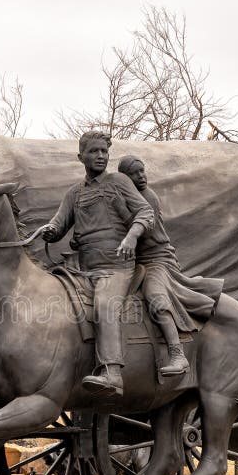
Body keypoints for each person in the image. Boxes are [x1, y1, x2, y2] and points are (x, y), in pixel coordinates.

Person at [42, 132, 154, 396]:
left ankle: (112, 372)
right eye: (94, 151)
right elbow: (59, 224)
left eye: (104, 151)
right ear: (81, 157)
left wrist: (130, 236)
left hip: (116, 268)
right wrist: (50, 230)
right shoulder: (74, 193)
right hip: (82, 270)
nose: (101, 156)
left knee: (105, 305)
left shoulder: (120, 182)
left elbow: (145, 211)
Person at [117, 155, 223, 376]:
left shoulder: (148, 197)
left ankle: (177, 354)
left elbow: (143, 229)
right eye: (135, 173)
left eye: (142, 171)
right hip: (133, 263)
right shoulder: (123, 198)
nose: (141, 176)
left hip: (157, 259)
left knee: (155, 297)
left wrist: (122, 218)